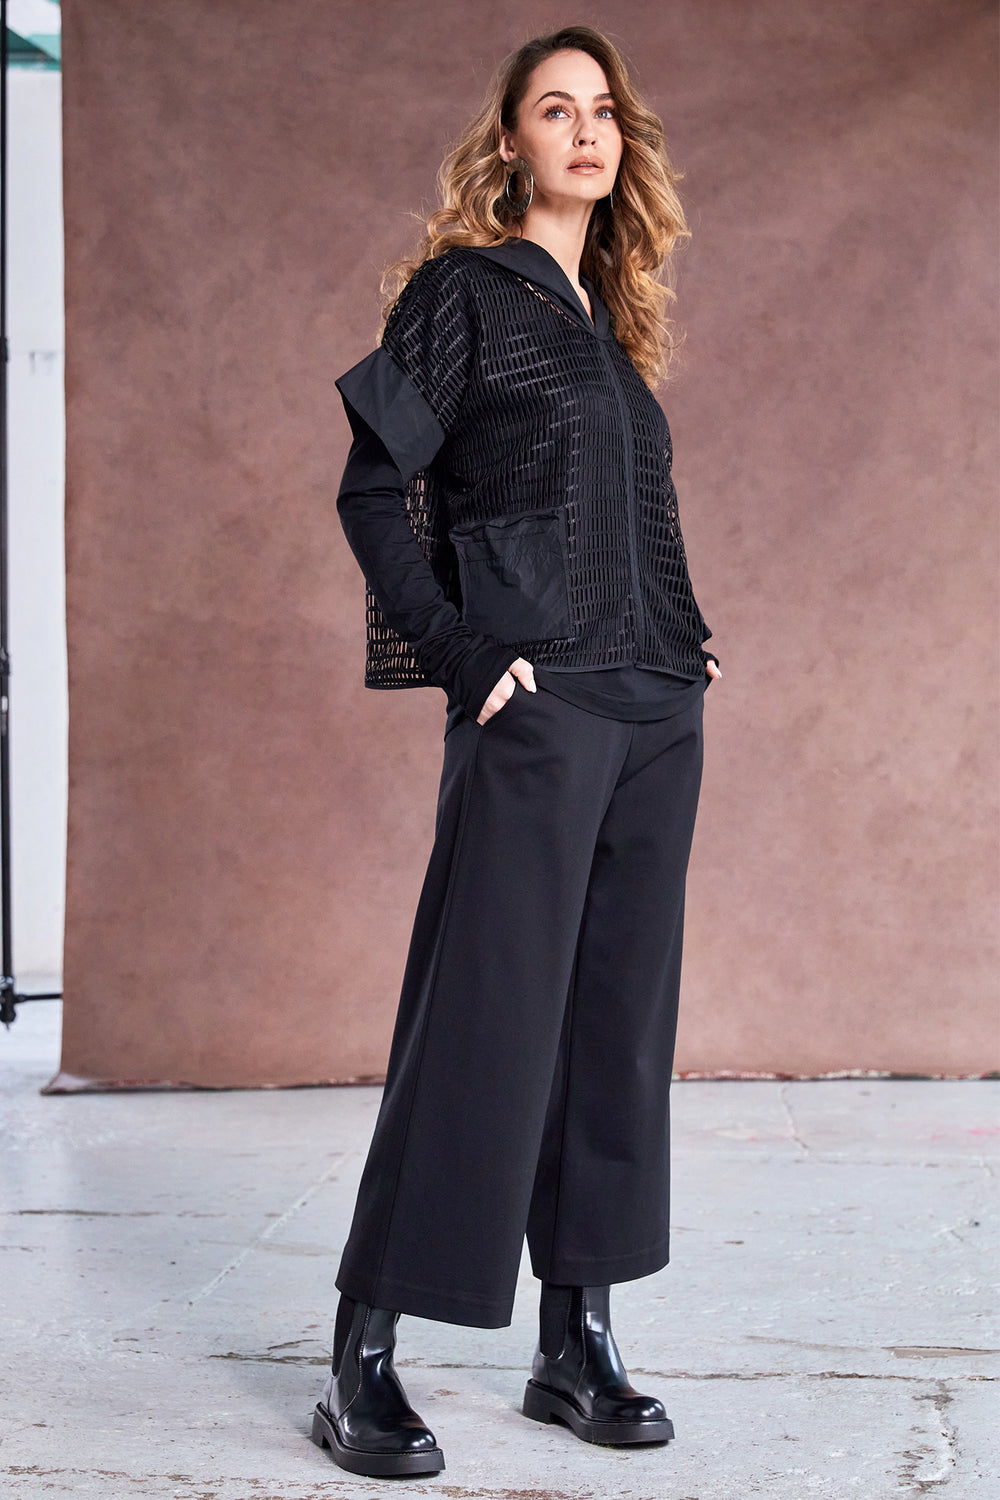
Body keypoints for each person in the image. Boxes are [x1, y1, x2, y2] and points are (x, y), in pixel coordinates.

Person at [311, 24, 722, 1480]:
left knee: (613, 1036)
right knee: (482, 1024)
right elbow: (374, 492)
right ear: (511, 146)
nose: (587, 131)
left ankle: (575, 1338)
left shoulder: (609, 339)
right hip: (539, 712)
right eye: (557, 109)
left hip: (655, 710)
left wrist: (683, 639)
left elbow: (616, 523)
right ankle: (363, 1349)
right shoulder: (463, 298)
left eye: (603, 109)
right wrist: (468, 654)